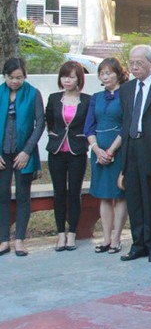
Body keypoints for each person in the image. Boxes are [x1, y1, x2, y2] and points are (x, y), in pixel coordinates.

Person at [118, 45, 151, 262]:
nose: (134, 67)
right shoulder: (127, 89)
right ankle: (139, 244)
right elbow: (126, 122)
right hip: (131, 150)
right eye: (131, 63)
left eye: (139, 63)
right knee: (134, 200)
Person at [84, 57, 128, 254]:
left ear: (118, 73)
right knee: (103, 196)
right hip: (98, 152)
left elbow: (127, 125)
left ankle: (117, 238)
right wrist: (97, 150)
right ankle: (106, 238)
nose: (105, 76)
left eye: (109, 72)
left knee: (119, 195)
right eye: (102, 73)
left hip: (118, 151)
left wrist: (111, 150)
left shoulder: (126, 95)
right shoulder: (96, 97)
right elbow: (89, 126)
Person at [0, 58, 43, 257]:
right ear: (4, 76)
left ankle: (19, 240)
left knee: (23, 196)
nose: (15, 81)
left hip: (23, 153)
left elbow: (40, 123)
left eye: (19, 77)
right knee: (2, 196)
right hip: (3, 154)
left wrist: (26, 151)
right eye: (11, 77)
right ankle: (3, 240)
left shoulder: (33, 93)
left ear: (25, 76)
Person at [46, 61, 90, 252]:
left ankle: (72, 233)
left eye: (71, 77)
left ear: (79, 78)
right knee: (59, 193)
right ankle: (60, 235)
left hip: (77, 151)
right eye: (64, 76)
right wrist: (54, 136)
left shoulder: (87, 100)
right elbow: (50, 121)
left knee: (74, 192)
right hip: (56, 151)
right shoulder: (54, 98)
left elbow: (89, 124)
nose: (67, 80)